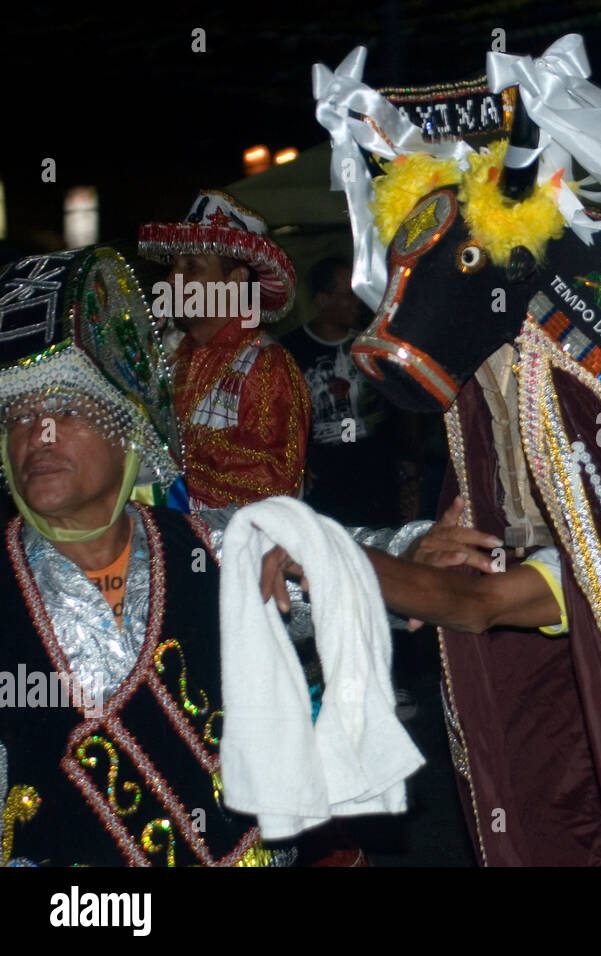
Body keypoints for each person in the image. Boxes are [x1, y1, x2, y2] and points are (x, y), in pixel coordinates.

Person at [0, 246, 293, 866]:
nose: (39, 436)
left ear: (128, 431)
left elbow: (338, 559)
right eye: (19, 416)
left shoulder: (206, 546)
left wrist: (417, 556)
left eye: (69, 409)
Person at [138, 190, 311, 511]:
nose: (173, 279)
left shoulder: (266, 365)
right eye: (174, 266)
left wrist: (164, 460)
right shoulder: (165, 360)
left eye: (192, 267)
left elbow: (271, 481)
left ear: (234, 280)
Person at [282, 257, 413, 527]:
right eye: (348, 295)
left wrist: (408, 463)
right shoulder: (290, 351)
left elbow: (399, 409)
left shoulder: (371, 346)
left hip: (375, 477)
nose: (357, 302)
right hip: (324, 484)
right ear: (323, 300)